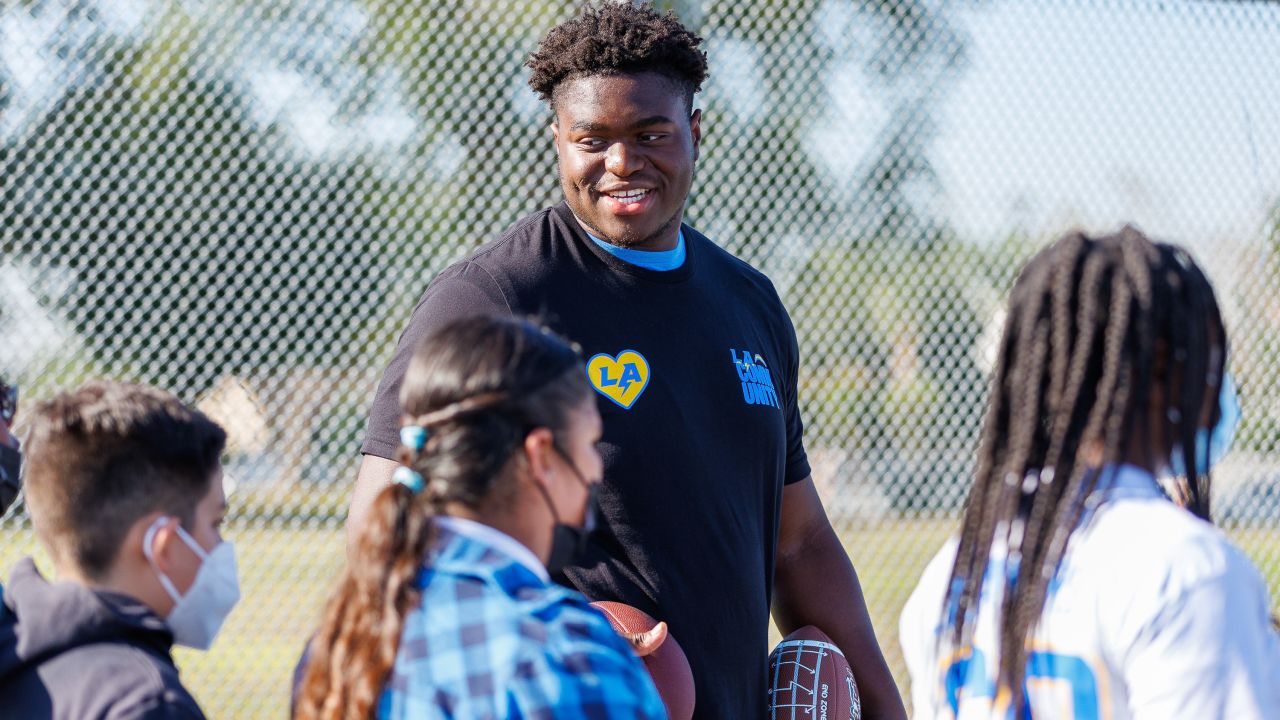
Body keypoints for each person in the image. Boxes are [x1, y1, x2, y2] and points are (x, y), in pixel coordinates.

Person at [347, 3, 905, 717]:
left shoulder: (750, 302)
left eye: (650, 133)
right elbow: (381, 531)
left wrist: (889, 709)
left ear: (695, 133)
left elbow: (797, 546)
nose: (621, 162)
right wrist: (555, 634)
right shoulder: (492, 299)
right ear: (557, 141)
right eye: (593, 139)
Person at [900, 228, 1280, 718]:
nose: (1218, 387)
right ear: (1163, 365)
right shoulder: (1188, 574)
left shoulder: (947, 582)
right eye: (1209, 361)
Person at [296, 315, 666, 719]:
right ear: (541, 454)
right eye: (589, 444)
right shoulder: (571, 657)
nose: (596, 469)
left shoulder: (341, 642)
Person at [0, 381, 237, 719]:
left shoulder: (14, 659)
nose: (221, 547)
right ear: (163, 545)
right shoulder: (149, 703)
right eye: (215, 524)